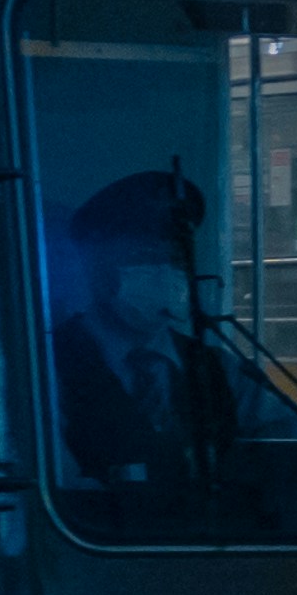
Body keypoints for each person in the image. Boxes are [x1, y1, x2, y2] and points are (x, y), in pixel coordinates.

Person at [43, 169, 224, 501]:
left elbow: (292, 438)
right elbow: (63, 497)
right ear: (94, 265)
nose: (162, 273)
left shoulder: (217, 367)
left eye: (173, 259)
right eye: (142, 258)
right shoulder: (47, 370)